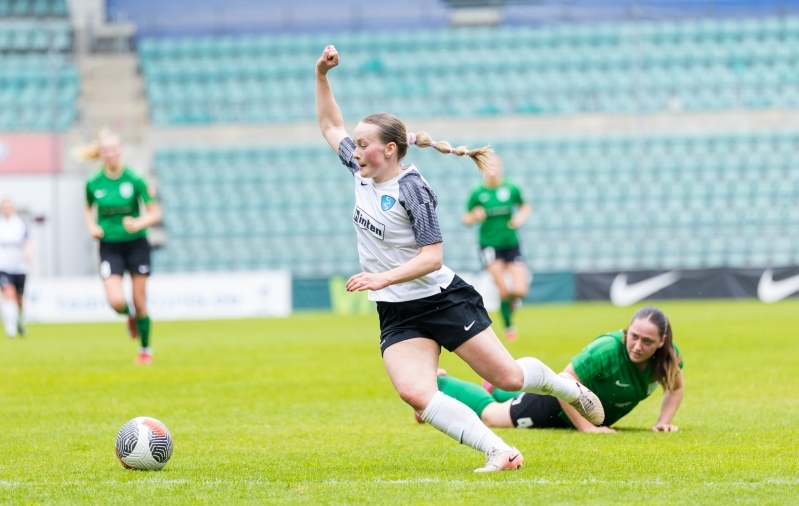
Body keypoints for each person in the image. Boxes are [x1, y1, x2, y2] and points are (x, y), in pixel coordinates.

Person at [315, 45, 604, 472]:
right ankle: (499, 451)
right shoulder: (360, 171)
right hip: (399, 311)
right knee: (415, 391)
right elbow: (329, 123)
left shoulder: (414, 190)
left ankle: (564, 387)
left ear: (391, 149)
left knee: (508, 379)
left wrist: (382, 278)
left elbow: (433, 258)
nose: (354, 150)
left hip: (441, 299)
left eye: (363, 145)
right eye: (354, 145)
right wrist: (321, 74)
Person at [428, 307, 684, 433]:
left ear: (662, 342)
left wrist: (663, 423)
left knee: (506, 399)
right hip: (558, 403)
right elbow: (566, 381)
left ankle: (496, 387)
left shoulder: (669, 357)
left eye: (647, 342)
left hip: (580, 414)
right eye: (634, 336)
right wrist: (588, 428)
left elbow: (676, 387)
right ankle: (440, 385)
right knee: (492, 417)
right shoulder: (606, 349)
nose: (637, 346)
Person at [81, 129, 161, 364]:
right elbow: (87, 209)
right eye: (106, 150)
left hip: (136, 244)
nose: (111, 153)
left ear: (121, 150)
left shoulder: (135, 179)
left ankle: (145, 351)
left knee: (139, 300)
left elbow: (154, 213)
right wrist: (91, 226)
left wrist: (138, 223)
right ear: (101, 154)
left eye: (114, 149)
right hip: (109, 245)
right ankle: (129, 317)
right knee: (117, 301)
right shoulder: (93, 182)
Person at [462, 155, 531, 341]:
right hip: (489, 245)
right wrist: (475, 216)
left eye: (495, 166)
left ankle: (511, 303)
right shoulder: (478, 192)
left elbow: (525, 207)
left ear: (501, 168)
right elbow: (466, 219)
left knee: (520, 289)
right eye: (489, 167)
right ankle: (509, 328)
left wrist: (520, 218)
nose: (492, 170)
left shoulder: (511, 188)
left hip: (511, 243)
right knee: (503, 289)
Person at [0, 199, 33, 338]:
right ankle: (10, 328)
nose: (7, 210)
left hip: (20, 267)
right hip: (3, 266)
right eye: (4, 207)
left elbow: (30, 240)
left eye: (9, 207)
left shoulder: (20, 223)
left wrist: (28, 252)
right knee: (9, 294)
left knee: (19, 299)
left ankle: (19, 320)